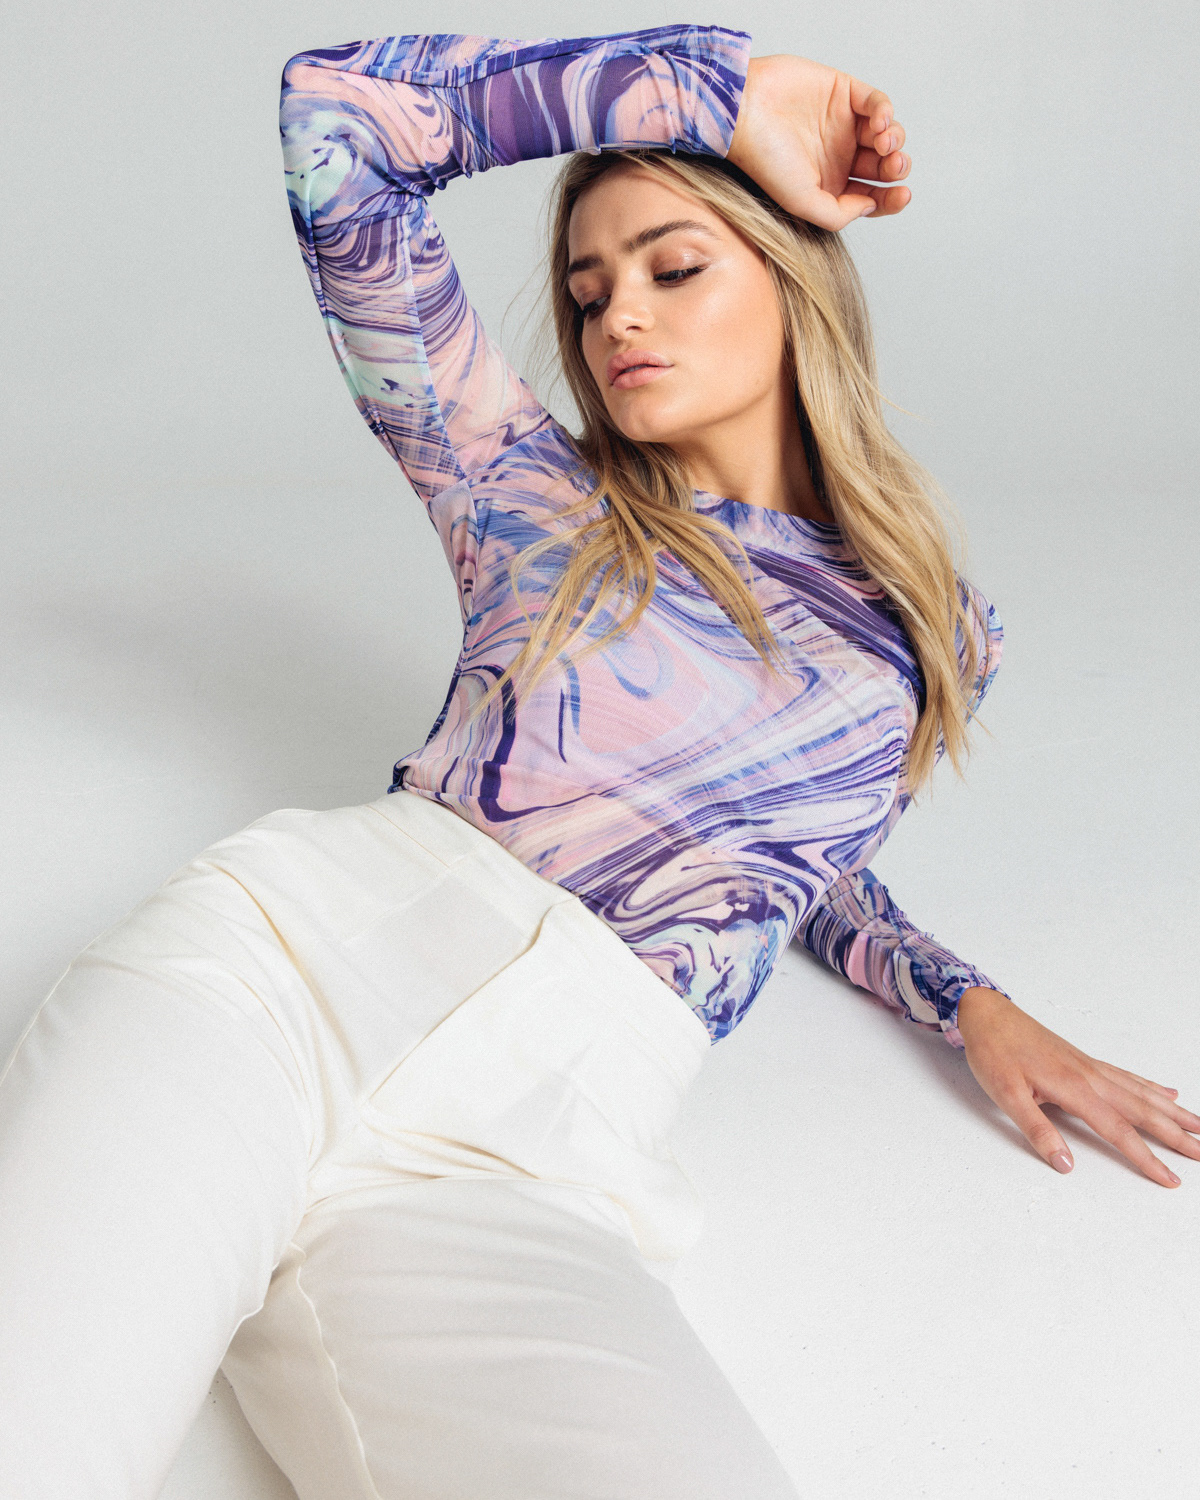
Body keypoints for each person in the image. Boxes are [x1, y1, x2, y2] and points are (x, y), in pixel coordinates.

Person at [1, 23, 1196, 1500]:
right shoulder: (523, 491)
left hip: (532, 1155)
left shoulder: (930, 629)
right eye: (586, 290)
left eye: (673, 267)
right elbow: (336, 122)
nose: (618, 313)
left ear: (793, 279)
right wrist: (718, 91)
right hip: (275, 983)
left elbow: (774, 851)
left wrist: (975, 1006)